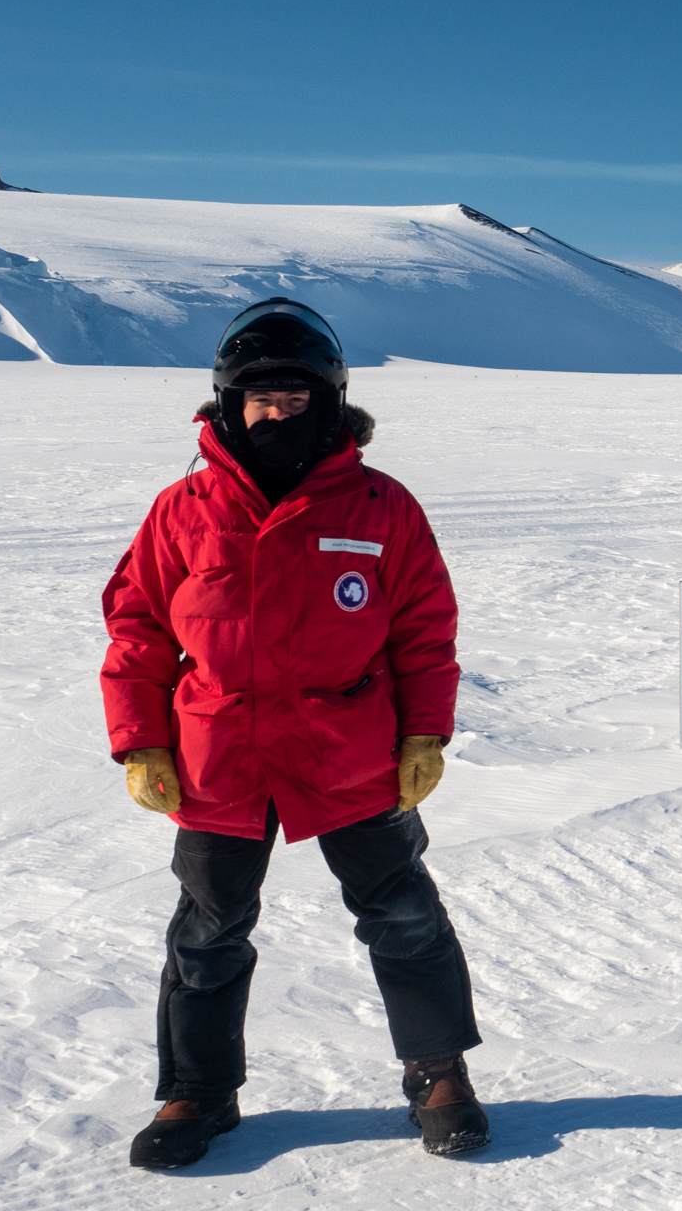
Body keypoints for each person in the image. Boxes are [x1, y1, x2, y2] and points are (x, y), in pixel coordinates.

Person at [100, 298, 489, 1168]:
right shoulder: (183, 510)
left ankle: (438, 1073)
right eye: (260, 398)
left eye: (297, 396)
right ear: (228, 402)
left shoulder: (381, 506)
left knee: (404, 914)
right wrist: (144, 741)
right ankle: (197, 1091)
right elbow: (139, 630)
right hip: (218, 755)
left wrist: (425, 734)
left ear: (332, 397)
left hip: (348, 748)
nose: (277, 413)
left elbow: (425, 629)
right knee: (207, 930)